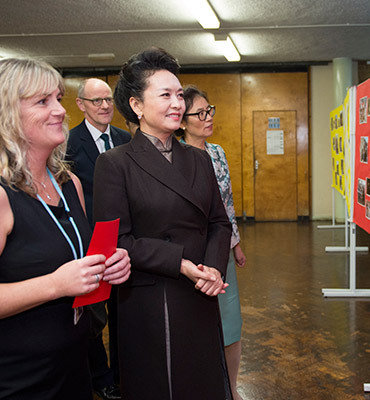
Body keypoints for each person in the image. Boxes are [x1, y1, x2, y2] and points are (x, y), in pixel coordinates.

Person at [0, 58, 131, 399]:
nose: (60, 111)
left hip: (72, 368)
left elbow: (72, 260)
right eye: (42, 101)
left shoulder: (68, 184)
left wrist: (107, 265)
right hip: (11, 381)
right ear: (3, 115)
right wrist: (53, 285)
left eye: (57, 98)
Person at [93, 48, 233, 399]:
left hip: (201, 289)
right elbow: (117, 241)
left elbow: (219, 222)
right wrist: (181, 263)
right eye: (165, 95)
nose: (177, 104)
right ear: (137, 105)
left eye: (180, 95)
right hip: (152, 296)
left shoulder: (198, 159)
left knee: (203, 382)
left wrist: (214, 268)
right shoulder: (115, 163)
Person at [176, 85, 247, 400]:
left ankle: (230, 388)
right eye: (200, 113)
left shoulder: (218, 153)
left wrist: (235, 243)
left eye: (210, 111)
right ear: (182, 121)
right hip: (190, 255)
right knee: (193, 326)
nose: (208, 118)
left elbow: (227, 205)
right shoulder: (174, 158)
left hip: (221, 250)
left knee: (231, 324)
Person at [66, 77, 131, 400]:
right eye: (97, 101)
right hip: (88, 244)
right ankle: (100, 378)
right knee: (92, 318)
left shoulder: (124, 138)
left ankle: (121, 376)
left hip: (122, 241)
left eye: (108, 100)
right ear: (81, 104)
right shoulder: (68, 143)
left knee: (122, 313)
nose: (105, 106)